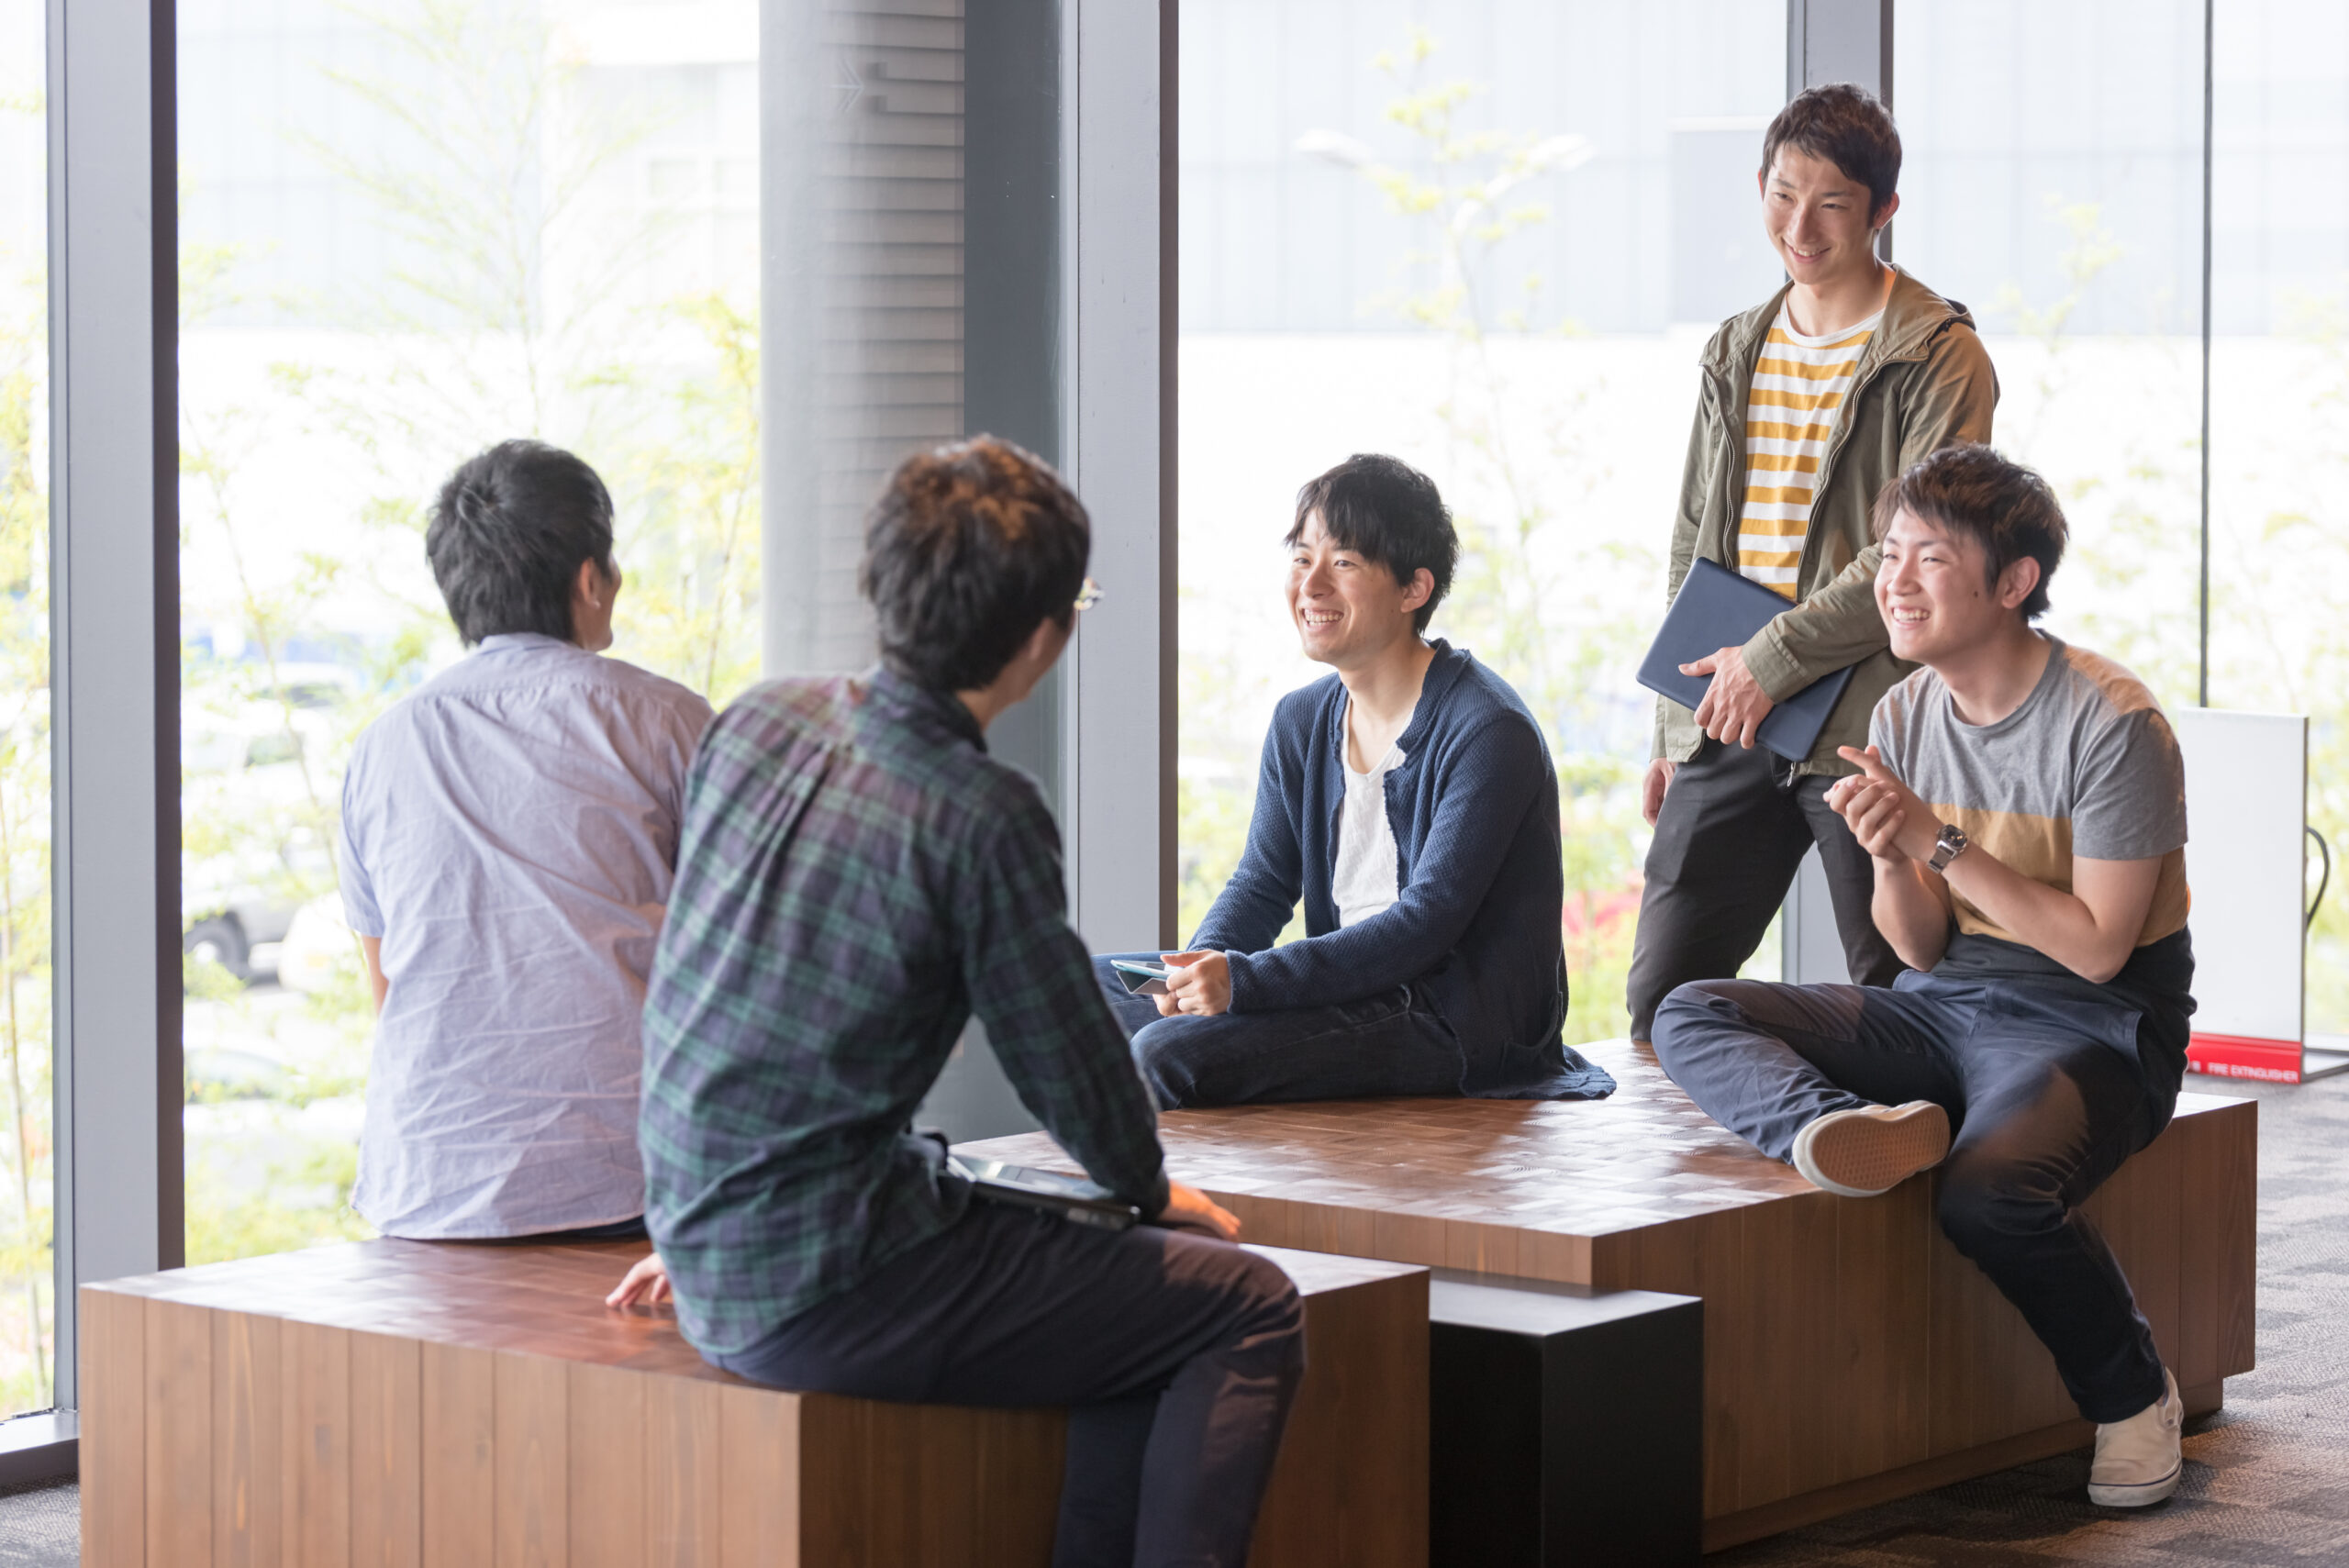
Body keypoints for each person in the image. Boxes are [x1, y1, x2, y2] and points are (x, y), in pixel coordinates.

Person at [616, 436, 1303, 1568]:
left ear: (879, 582)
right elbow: (1072, 1069)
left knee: (1131, 1290)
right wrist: (1145, 1187)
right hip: (828, 1279)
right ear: (1042, 637)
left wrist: (714, 1216)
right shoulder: (980, 810)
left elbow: (708, 993)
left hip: (703, 1232)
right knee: (1244, 1301)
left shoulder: (758, 720)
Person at [1652, 444, 2195, 1508]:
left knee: (1990, 1198)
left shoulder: (2113, 721)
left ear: (2012, 582)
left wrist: (1936, 839)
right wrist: (1896, 857)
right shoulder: (1901, 713)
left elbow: (2097, 944)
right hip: (1949, 1003)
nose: (1893, 582)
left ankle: (2134, 1396)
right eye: (1888, 553)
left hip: (2094, 1021)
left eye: (1928, 559)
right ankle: (1825, 1128)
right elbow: (1916, 949)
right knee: (1691, 1004)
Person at [1628, 82, 1998, 1043]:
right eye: (1782, 194)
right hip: (1725, 712)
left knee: (1902, 994)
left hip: (1862, 718)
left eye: (1831, 202)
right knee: (1659, 1003)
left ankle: (1891, 1184)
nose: (1800, 225)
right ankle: (1730, 1183)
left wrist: (1772, 659)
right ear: (1759, 186)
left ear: (1881, 212)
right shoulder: (1736, 347)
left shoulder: (1938, 354)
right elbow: (1692, 536)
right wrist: (1677, 722)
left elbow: (1916, 556)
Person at [1095, 453, 1614, 1107]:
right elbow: (1260, 883)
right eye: (1301, 557)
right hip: (1347, 990)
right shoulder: (1302, 719)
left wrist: (1244, 983)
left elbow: (1425, 924)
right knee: (1086, 992)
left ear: (1413, 589)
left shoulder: (1489, 730)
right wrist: (1197, 971)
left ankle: (1160, 1199)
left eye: (1342, 563)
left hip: (1450, 1017)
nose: (1311, 585)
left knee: (1166, 1053)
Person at [338, 439, 714, 1240]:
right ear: (589, 578)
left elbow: (389, 986)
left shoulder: (382, 745)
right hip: (629, 1189)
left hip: (428, 1188)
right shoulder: (667, 722)